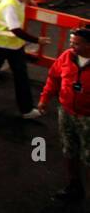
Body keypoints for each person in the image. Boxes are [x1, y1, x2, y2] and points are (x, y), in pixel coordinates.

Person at [38, 26, 90, 203]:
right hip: (66, 112)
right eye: (72, 42)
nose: (72, 46)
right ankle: (74, 187)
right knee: (69, 151)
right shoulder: (67, 56)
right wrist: (44, 99)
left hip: (87, 119)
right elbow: (53, 77)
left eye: (77, 43)